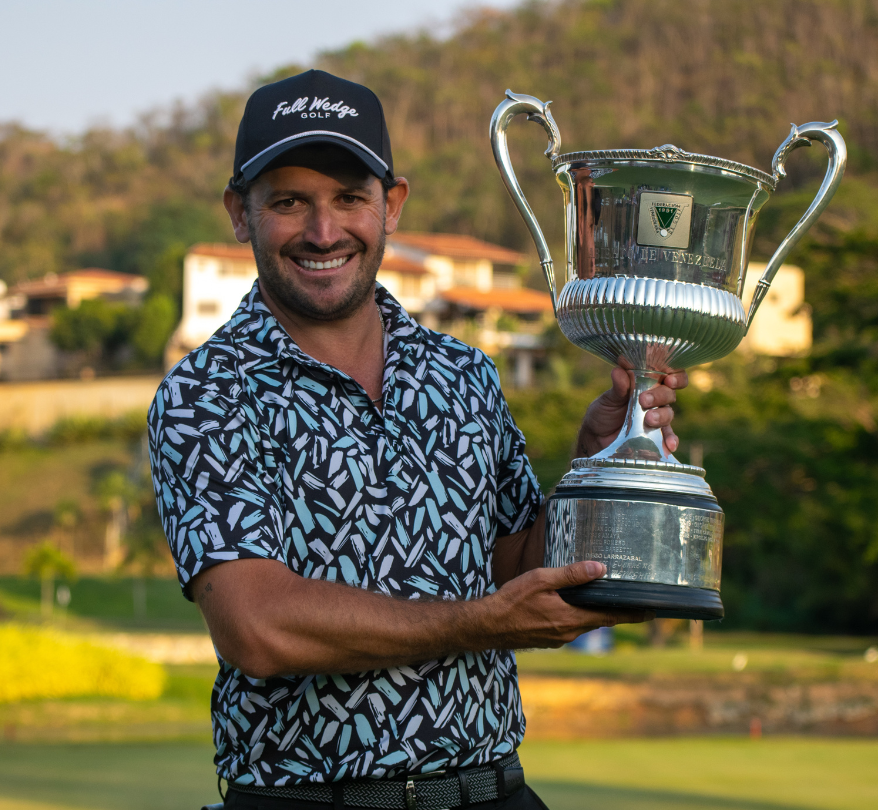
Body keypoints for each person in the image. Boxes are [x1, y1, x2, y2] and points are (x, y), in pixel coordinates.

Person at [147, 69, 686, 810]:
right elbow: (257, 626)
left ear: (391, 205)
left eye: (348, 198)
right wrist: (476, 625)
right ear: (240, 213)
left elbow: (512, 567)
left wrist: (593, 470)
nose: (323, 231)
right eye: (289, 201)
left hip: (494, 791)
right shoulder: (205, 394)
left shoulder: (462, 374)